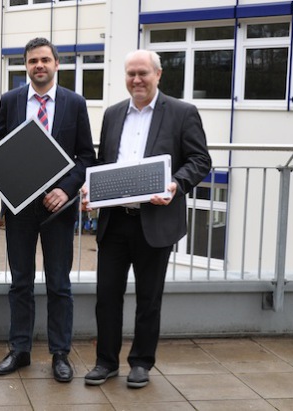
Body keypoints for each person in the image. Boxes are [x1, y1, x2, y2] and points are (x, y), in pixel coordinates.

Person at [83, 49, 211, 388]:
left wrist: (176, 184)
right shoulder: (112, 114)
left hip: (155, 221)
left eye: (143, 73)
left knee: (148, 298)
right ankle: (105, 362)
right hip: (115, 221)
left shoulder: (183, 113)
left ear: (158, 75)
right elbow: (103, 162)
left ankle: (141, 362)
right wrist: (90, 189)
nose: (136, 80)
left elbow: (200, 160)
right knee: (106, 295)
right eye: (131, 74)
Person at [0, 37, 96, 383]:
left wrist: (66, 190)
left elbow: (85, 157)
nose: (39, 65)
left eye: (45, 60)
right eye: (33, 60)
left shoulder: (74, 103)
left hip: (58, 210)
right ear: (26, 66)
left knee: (59, 284)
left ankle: (60, 354)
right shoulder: (9, 101)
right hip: (18, 208)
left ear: (56, 64)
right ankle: (19, 350)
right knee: (20, 282)